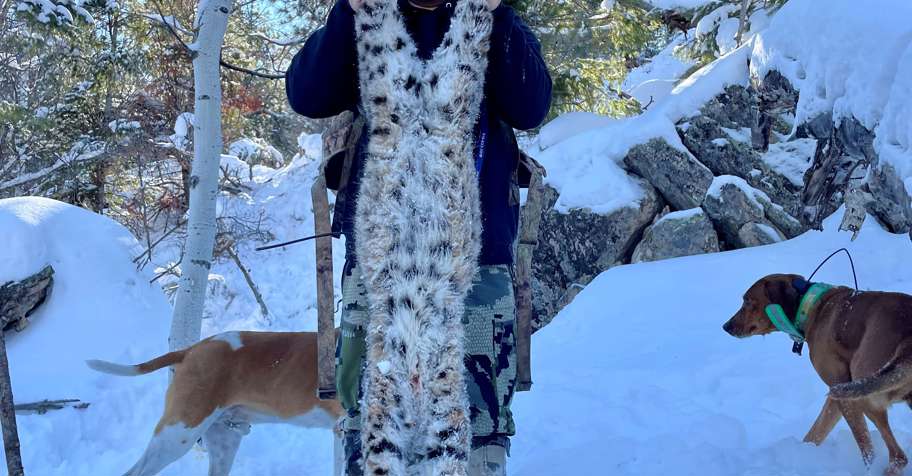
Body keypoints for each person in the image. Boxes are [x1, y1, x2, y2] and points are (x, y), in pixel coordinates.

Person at [286, 0, 551, 474]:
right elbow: (307, 94)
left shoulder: (484, 14)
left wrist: (497, 13)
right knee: (371, 424)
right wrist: (350, 9)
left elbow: (531, 105)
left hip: (475, 270)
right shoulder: (370, 15)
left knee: (476, 429)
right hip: (381, 267)